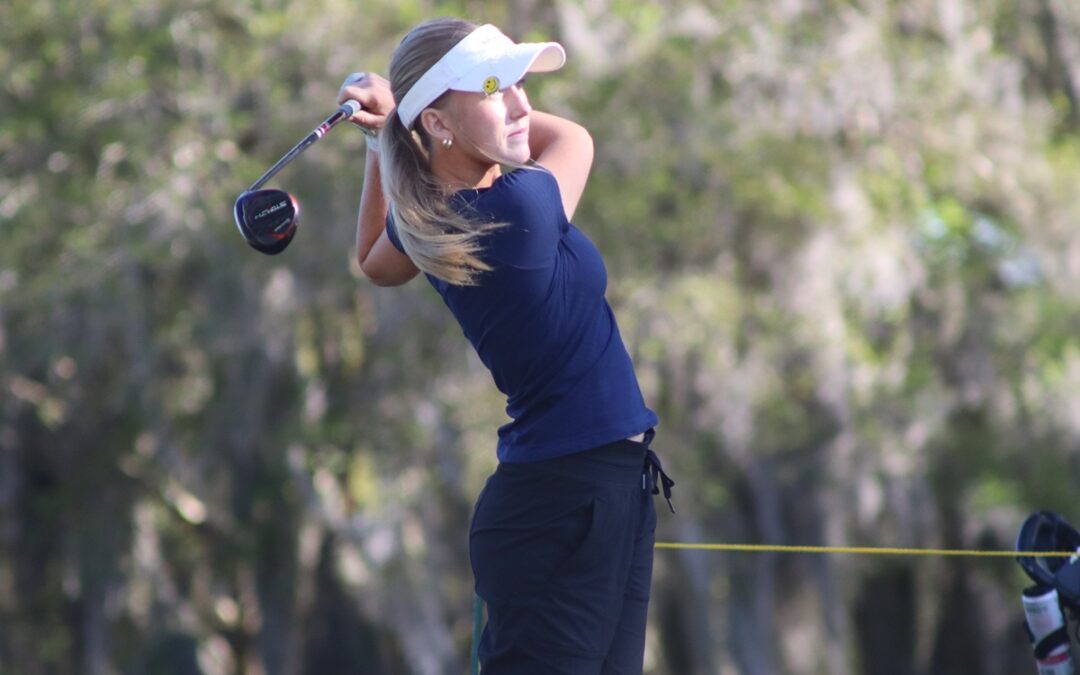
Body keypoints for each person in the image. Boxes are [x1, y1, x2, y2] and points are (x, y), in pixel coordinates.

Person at [336, 17, 674, 675]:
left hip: (603, 488)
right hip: (562, 504)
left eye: (522, 85)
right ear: (438, 123)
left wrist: (389, 139)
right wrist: (395, 125)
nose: (521, 106)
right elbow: (572, 137)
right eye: (496, 88)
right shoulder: (519, 208)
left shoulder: (436, 220)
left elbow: (373, 261)